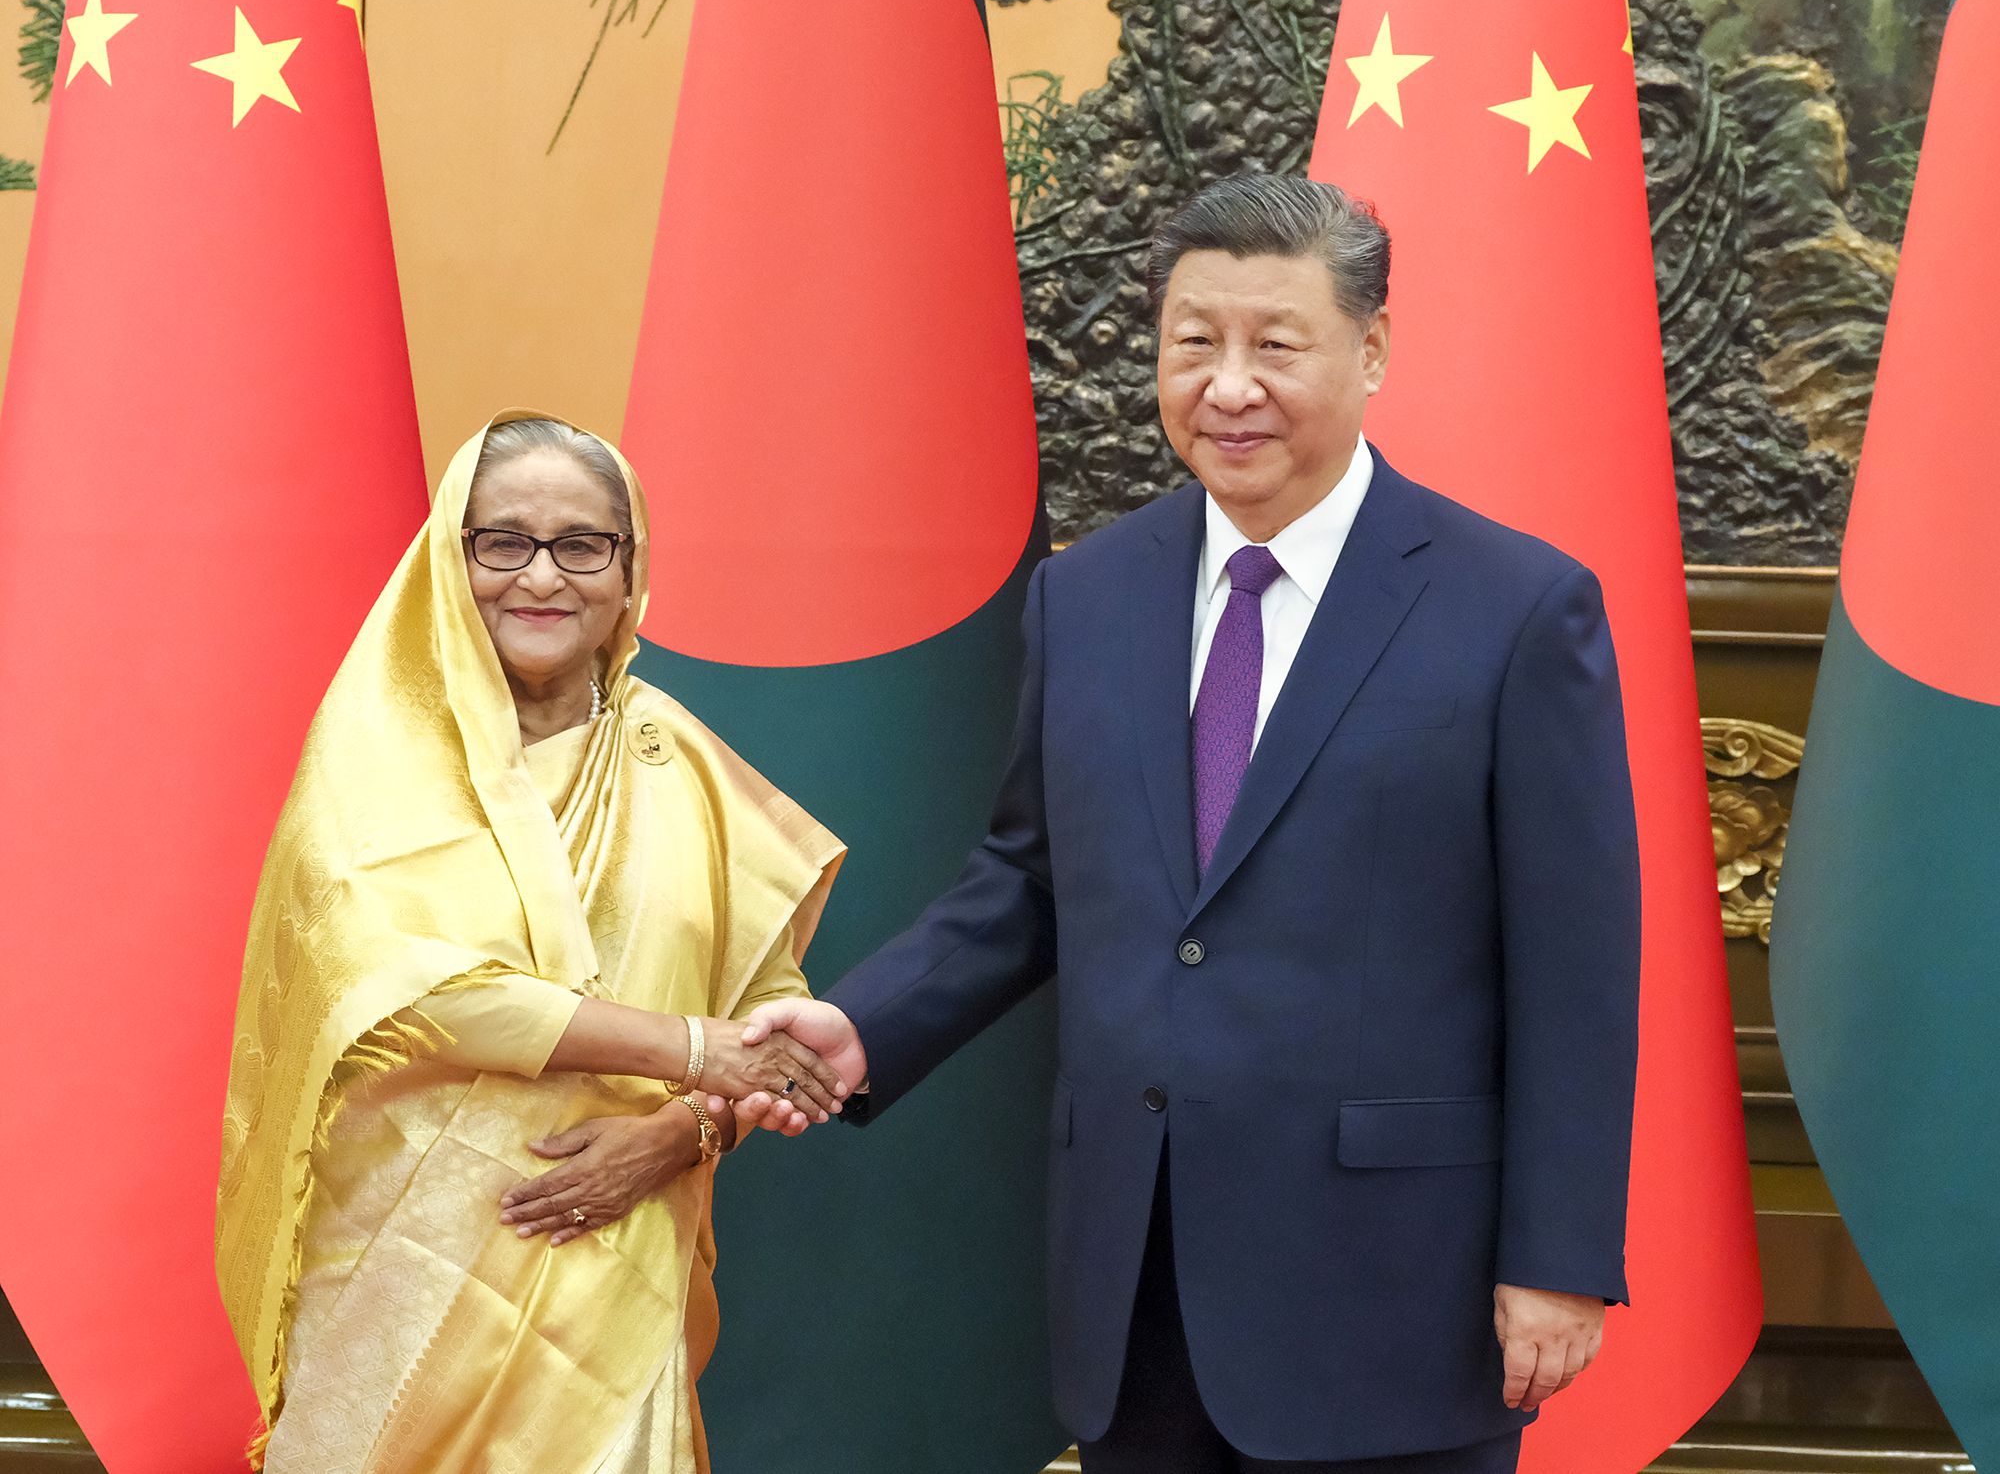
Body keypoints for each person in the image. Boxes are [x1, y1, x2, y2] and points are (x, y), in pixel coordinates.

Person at [738, 175, 1642, 1473]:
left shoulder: (1516, 606)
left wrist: (1557, 1257)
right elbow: (1033, 875)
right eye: (1193, 342)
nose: (1229, 385)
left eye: (1275, 344)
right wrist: (862, 1024)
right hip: (1138, 1278)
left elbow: (1576, 962)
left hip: (1395, 1291)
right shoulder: (1089, 597)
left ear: (1372, 348)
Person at [215, 413, 850, 1474]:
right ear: (447, 559)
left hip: (610, 1260)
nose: (541, 577)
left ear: (627, 566)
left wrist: (683, 1131)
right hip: (397, 1275)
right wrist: (696, 1055)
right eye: (501, 541)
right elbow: (424, 994)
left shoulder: (682, 763)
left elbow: (769, 1017)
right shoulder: (376, 752)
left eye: (581, 543)